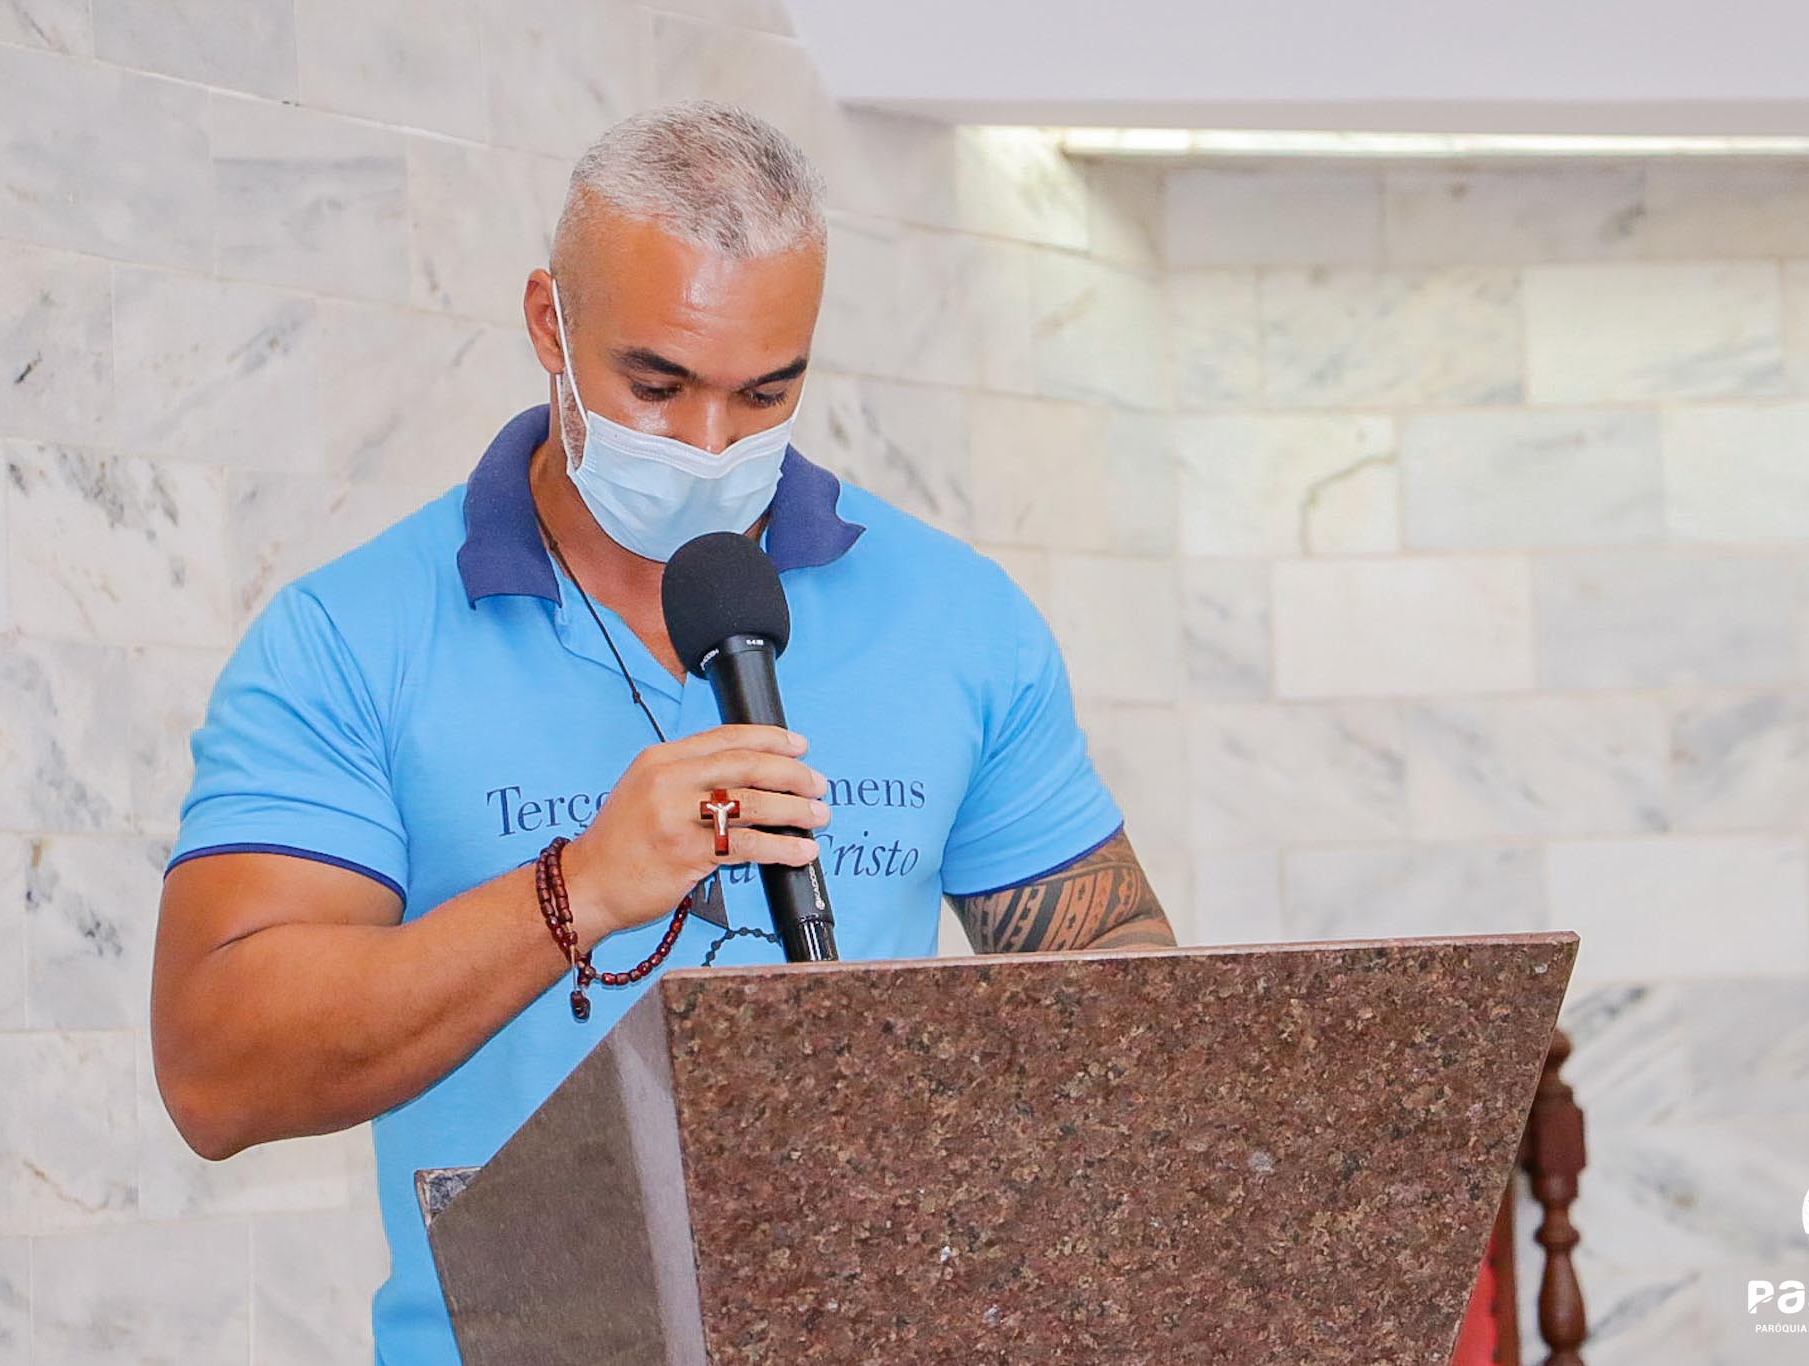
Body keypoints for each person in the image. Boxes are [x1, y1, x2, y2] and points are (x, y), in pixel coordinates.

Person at [150, 100, 1175, 1364]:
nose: (706, 446)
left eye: (764, 392)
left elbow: (1127, 999)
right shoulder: (347, 636)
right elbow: (216, 1074)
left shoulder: (958, 617)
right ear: (550, 323)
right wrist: (578, 889)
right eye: (657, 384)